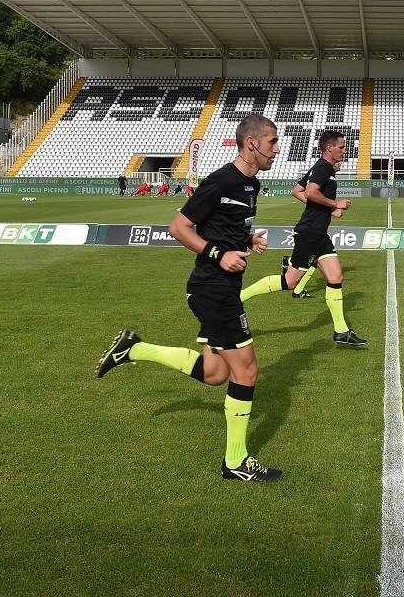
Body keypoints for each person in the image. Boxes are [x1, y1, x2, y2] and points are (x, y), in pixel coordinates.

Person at [95, 114, 283, 482]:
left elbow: (225, 228)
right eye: (272, 142)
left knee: (215, 374)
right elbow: (179, 228)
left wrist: (246, 241)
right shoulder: (220, 180)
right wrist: (219, 255)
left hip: (220, 288)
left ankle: (133, 349)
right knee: (247, 371)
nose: (277, 149)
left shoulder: (251, 185)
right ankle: (235, 462)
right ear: (251, 144)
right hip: (212, 289)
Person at [238, 130, 367, 346]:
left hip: (319, 233)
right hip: (309, 233)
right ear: (330, 148)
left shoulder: (322, 168)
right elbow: (310, 193)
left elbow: (297, 191)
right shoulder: (323, 167)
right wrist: (335, 204)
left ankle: (341, 331)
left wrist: (326, 210)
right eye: (342, 147)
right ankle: (239, 296)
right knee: (290, 281)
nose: (345, 151)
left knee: (335, 277)